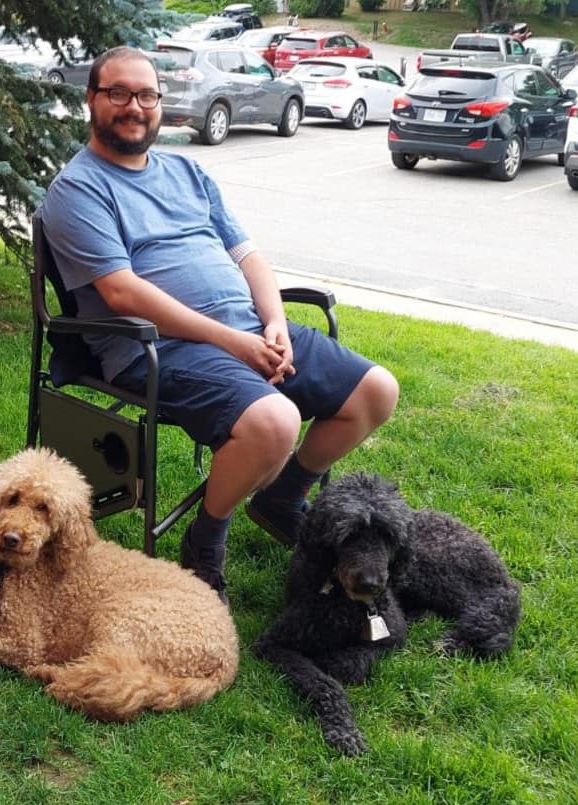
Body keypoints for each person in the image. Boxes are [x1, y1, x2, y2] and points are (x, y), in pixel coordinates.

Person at [42, 47, 399, 604]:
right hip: (158, 348)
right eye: (118, 93)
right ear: (91, 99)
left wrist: (274, 321)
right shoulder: (78, 189)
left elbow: (247, 256)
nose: (134, 107)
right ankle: (205, 538)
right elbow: (120, 291)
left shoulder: (188, 171)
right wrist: (233, 342)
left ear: (160, 102)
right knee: (275, 422)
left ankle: (281, 496)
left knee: (376, 392)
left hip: (247, 329)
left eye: (146, 95)